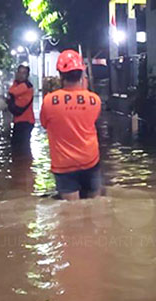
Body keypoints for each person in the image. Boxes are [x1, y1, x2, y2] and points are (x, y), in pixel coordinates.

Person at [40, 50, 103, 201]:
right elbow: (91, 120)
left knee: (71, 213)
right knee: (95, 207)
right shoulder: (94, 100)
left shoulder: (49, 101)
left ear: (61, 75)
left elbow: (44, 124)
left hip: (64, 165)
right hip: (90, 161)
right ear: (82, 74)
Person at [7, 64, 35, 144]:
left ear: (27, 75)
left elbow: (12, 92)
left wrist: (10, 98)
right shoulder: (18, 85)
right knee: (18, 147)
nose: (21, 75)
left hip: (25, 122)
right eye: (19, 73)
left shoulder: (26, 86)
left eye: (24, 73)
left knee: (21, 147)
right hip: (19, 121)